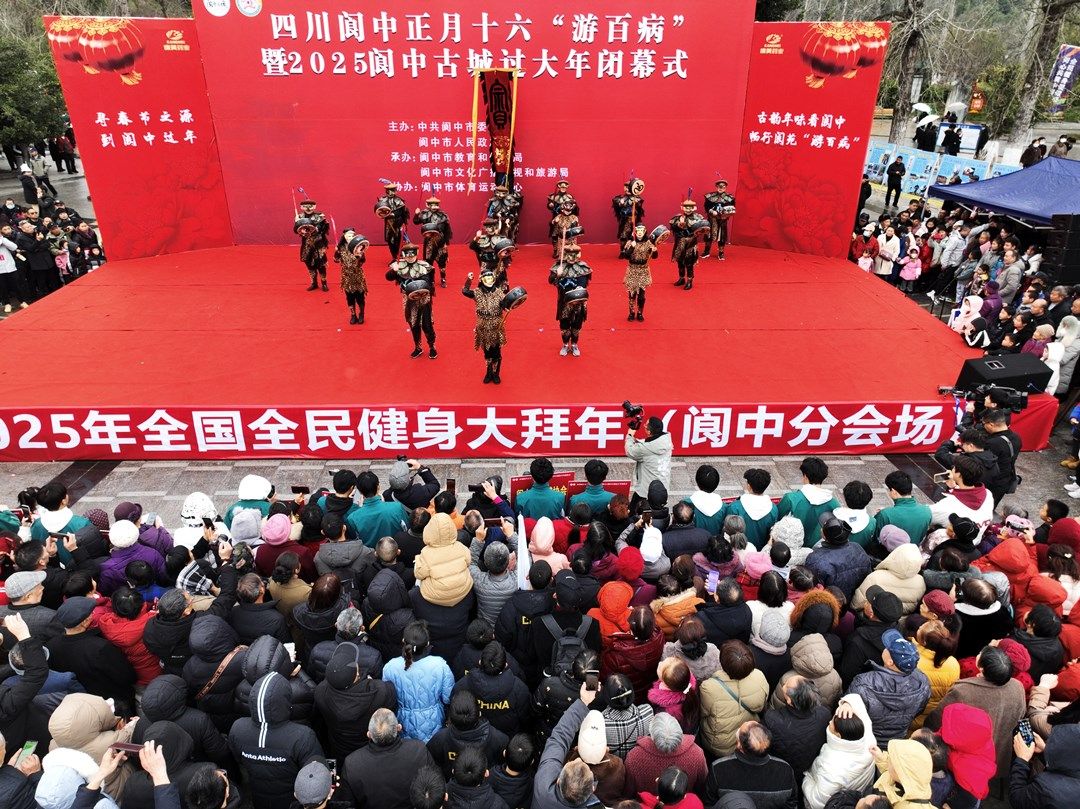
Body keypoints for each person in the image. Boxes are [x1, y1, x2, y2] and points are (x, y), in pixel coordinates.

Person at [342, 708, 436, 809]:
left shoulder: (352, 764)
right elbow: (435, 786)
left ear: (369, 734)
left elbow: (346, 803)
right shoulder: (419, 750)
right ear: (399, 728)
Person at [849, 629, 930, 744]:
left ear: (890, 662)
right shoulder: (923, 682)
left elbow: (851, 717)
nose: (885, 648)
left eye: (888, 648)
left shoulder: (863, 684)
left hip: (867, 741)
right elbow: (919, 710)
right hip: (897, 741)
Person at [382, 621, 454, 743]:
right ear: (428, 644)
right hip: (434, 723)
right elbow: (448, 698)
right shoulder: (440, 665)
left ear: (403, 641)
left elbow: (388, 699)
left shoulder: (390, 667)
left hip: (403, 724)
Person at [703, 721, 798, 808]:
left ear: (739, 745)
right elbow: (791, 804)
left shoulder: (719, 769)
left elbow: (710, 803)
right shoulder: (785, 770)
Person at [387, 242, 438, 359]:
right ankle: (418, 347)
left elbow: (430, 283)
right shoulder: (399, 266)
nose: (410, 257)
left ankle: (432, 346)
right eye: (408, 255)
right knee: (413, 324)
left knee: (427, 325)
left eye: (413, 254)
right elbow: (388, 277)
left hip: (424, 299)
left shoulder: (424, 266)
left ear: (417, 253)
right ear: (404, 255)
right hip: (408, 300)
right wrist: (394, 270)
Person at [778, 458, 840, 545]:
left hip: (790, 547)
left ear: (805, 476)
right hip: (821, 549)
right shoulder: (834, 504)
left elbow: (776, 521)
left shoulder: (791, 499)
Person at [463, 267, 509, 385]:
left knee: (496, 351)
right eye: (486, 278)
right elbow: (465, 291)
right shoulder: (477, 292)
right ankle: (489, 372)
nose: (489, 281)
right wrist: (468, 280)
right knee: (487, 351)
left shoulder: (499, 292)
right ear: (481, 279)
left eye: (490, 278)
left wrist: (508, 306)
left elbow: (506, 303)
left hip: (496, 326)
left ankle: (496, 373)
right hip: (483, 325)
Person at [548, 242, 591, 357]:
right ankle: (565, 344)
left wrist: (579, 289)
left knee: (577, 325)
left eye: (574, 255)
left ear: (578, 255)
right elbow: (550, 281)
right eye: (569, 255)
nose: (571, 257)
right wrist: (557, 274)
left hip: (579, 303)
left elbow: (583, 284)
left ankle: (575, 344)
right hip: (563, 302)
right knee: (564, 325)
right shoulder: (559, 266)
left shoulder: (583, 268)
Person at [626, 417, 673, 505]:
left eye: (646, 425)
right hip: (662, 490)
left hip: (646, 492)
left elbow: (630, 451)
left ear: (649, 431)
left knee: (633, 510)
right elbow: (649, 444)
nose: (644, 426)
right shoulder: (666, 441)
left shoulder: (645, 449)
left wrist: (630, 435)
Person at [621, 223, 657, 322]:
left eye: (641, 231)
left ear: (644, 232)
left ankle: (640, 313)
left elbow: (654, 257)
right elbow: (625, 256)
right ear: (635, 232)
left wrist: (655, 251)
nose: (640, 233)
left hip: (643, 270)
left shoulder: (648, 243)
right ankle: (631, 313)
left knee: (641, 295)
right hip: (632, 270)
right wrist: (632, 247)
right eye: (638, 231)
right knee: (632, 294)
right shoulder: (630, 242)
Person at [413, 196, 452, 288]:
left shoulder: (443, 215)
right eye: (432, 205)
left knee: (442, 262)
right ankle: (431, 279)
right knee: (428, 262)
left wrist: (446, 243)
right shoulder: (424, 214)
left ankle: (443, 279)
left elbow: (447, 231)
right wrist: (416, 214)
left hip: (441, 241)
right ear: (428, 205)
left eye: (436, 205)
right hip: (429, 242)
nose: (434, 207)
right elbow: (416, 222)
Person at [293, 199, 330, 292]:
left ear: (314, 206)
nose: (308, 208)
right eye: (305, 206)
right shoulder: (300, 217)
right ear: (301, 207)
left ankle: (324, 283)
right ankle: (314, 283)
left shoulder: (320, 216)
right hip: (306, 245)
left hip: (318, 244)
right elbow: (295, 230)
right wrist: (298, 225)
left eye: (310, 206)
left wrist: (317, 228)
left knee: (321, 264)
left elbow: (324, 228)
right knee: (309, 264)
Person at [669, 199, 706, 290]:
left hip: (691, 243)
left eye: (690, 208)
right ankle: (681, 278)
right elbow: (672, 227)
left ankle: (689, 280)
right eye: (686, 208)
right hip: (679, 243)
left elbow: (703, 229)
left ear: (694, 208)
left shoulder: (698, 218)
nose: (688, 210)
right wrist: (678, 224)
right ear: (682, 208)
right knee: (680, 262)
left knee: (689, 263)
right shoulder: (678, 217)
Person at [336, 233, 369, 325]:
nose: (350, 237)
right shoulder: (341, 248)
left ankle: (361, 314)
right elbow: (335, 260)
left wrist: (359, 254)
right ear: (344, 237)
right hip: (347, 277)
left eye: (352, 235)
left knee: (360, 297)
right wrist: (336, 251)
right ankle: (353, 315)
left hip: (358, 276)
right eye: (348, 236)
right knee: (350, 298)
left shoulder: (359, 246)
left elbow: (362, 261)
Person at [702, 179, 736, 260]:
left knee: (722, 236)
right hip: (712, 219)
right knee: (709, 235)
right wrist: (711, 211)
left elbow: (732, 208)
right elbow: (706, 207)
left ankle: (721, 253)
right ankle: (706, 251)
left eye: (723, 187)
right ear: (716, 187)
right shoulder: (710, 196)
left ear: (725, 187)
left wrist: (727, 213)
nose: (721, 188)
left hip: (723, 220)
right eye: (719, 186)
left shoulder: (730, 198)